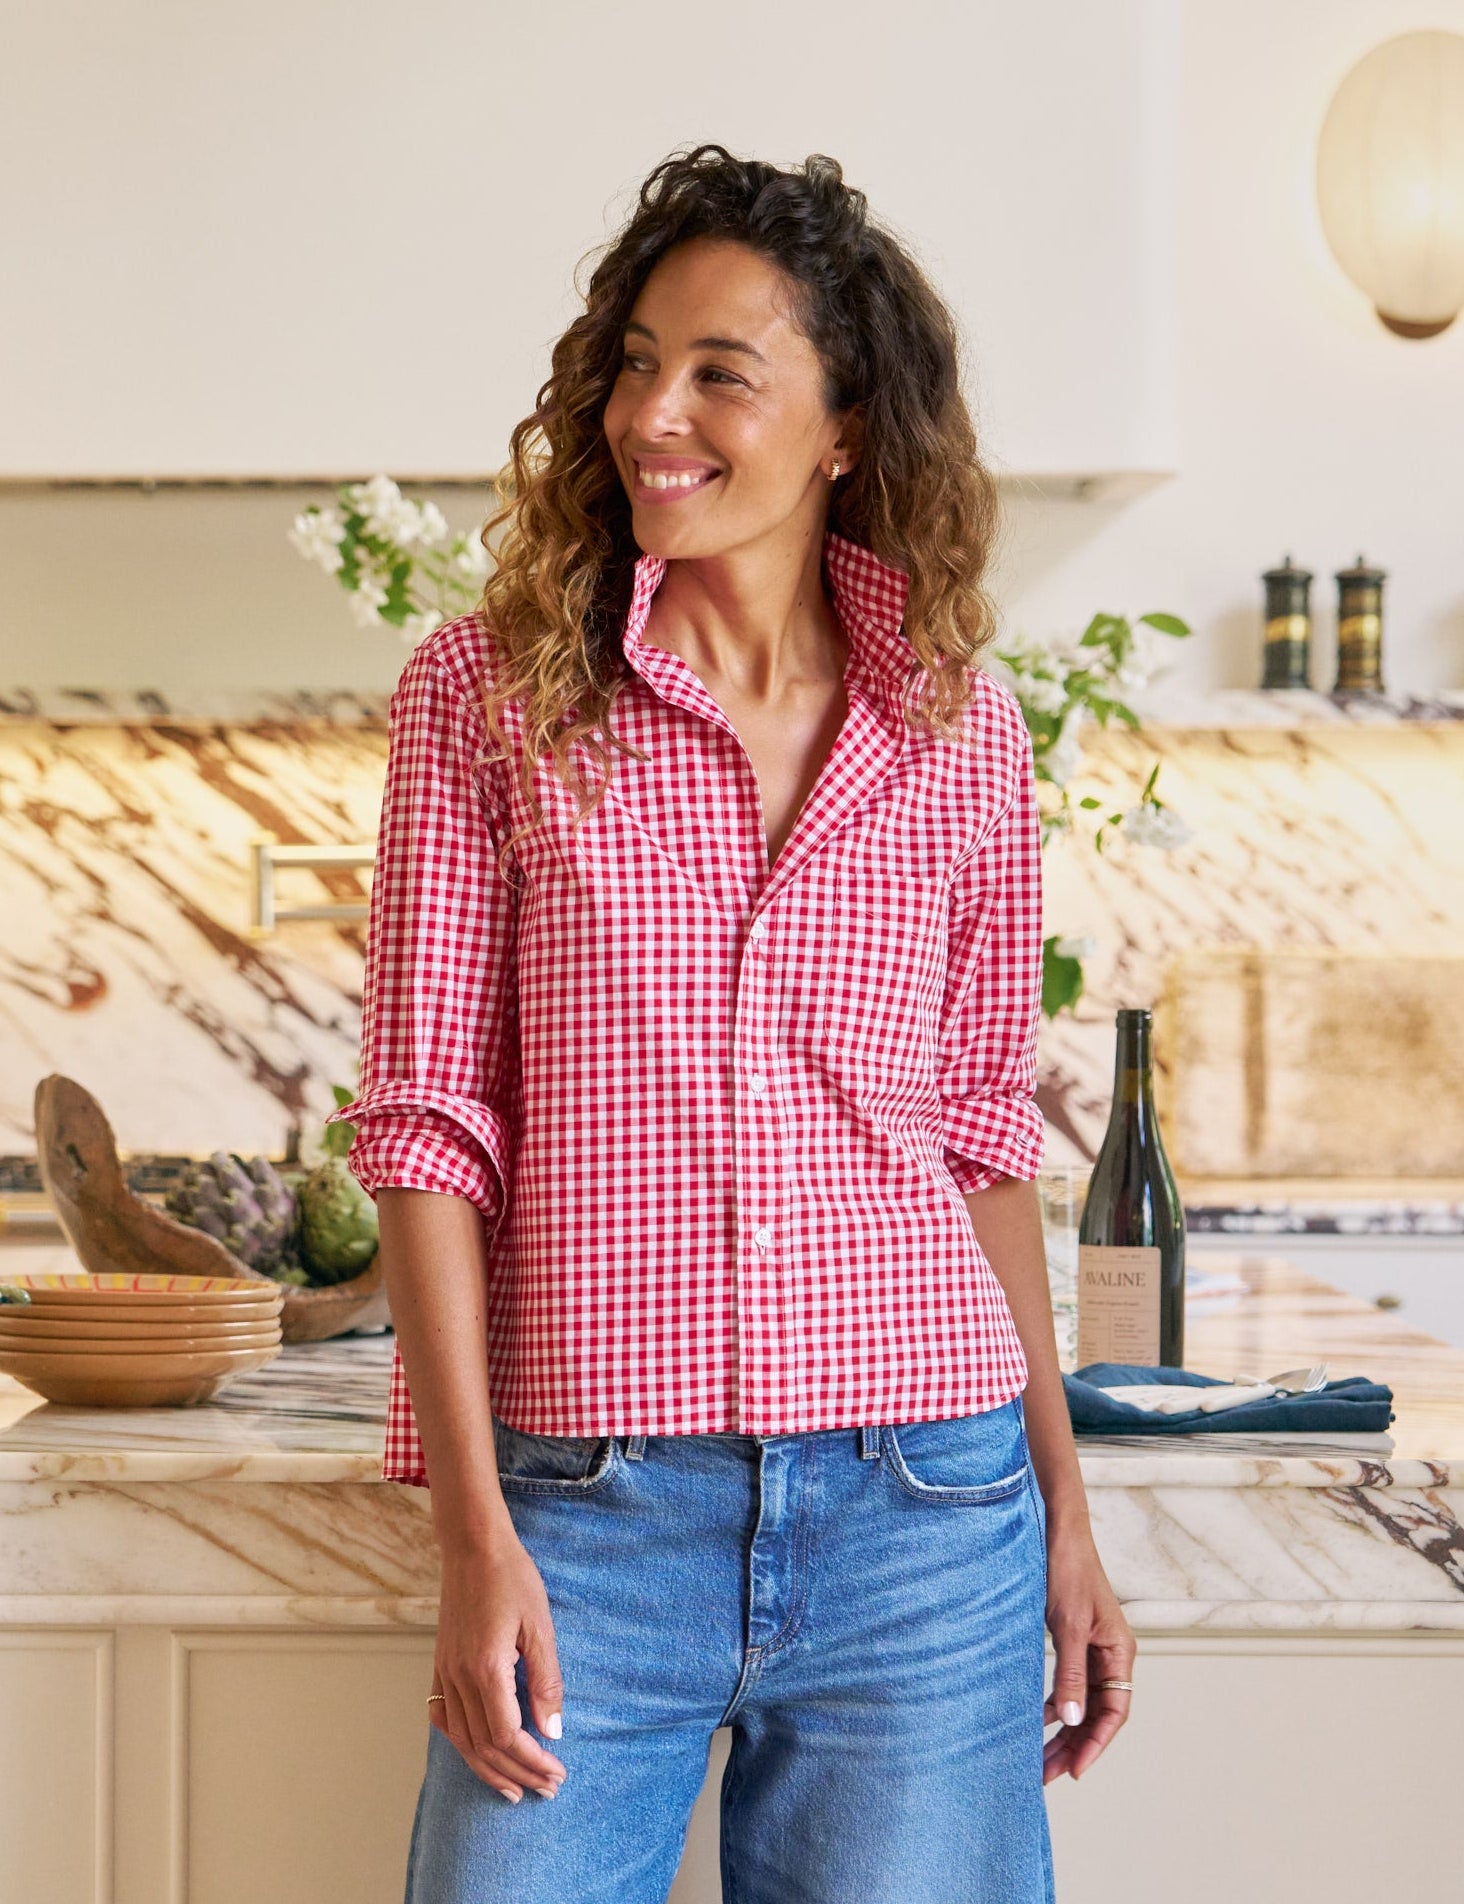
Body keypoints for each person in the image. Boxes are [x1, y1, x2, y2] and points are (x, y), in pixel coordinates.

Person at [328, 143, 1136, 1904]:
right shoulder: (491, 694)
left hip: (927, 1517)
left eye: (718, 373)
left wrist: (1066, 1515)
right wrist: (478, 1539)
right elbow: (423, 1130)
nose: (650, 413)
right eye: (632, 361)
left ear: (846, 428)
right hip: (594, 1514)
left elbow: (982, 1145)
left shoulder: (958, 731)